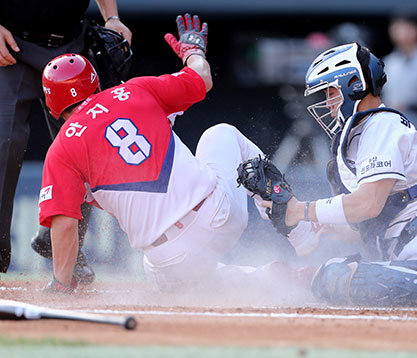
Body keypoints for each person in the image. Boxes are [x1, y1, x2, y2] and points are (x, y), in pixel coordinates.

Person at [38, 14, 300, 298]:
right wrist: (193, 52)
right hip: (216, 218)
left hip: (168, 257)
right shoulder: (133, 90)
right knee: (221, 134)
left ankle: (262, 276)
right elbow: (202, 79)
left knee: (159, 269)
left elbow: (64, 224)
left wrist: (62, 284)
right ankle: (297, 235)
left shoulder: (61, 148)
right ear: (95, 82)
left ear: (52, 105)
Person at [255, 42, 417, 306]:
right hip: (406, 246)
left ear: (353, 85)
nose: (329, 103)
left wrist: (301, 210)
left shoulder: (381, 124)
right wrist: (321, 228)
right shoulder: (361, 135)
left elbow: (368, 203)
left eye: (331, 92)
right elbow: (370, 219)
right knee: (333, 275)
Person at [0, 0, 132, 277]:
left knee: (87, 143)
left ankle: (65, 249)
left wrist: (112, 17)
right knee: (4, 141)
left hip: (70, 46)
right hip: (11, 43)